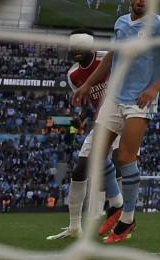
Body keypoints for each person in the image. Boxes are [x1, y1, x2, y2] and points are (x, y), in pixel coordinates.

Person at [72, 0, 160, 243]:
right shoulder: (121, 22)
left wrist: (154, 89)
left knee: (125, 158)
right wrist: (88, 84)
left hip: (139, 101)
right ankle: (117, 205)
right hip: (115, 96)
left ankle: (127, 219)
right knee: (95, 157)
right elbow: (111, 56)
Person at [47, 32, 125, 241]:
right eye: (73, 49)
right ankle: (74, 227)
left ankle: (124, 218)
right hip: (102, 122)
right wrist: (83, 118)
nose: (75, 53)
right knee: (81, 169)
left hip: (123, 115)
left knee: (121, 161)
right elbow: (88, 103)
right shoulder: (73, 75)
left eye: (79, 49)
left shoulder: (107, 58)